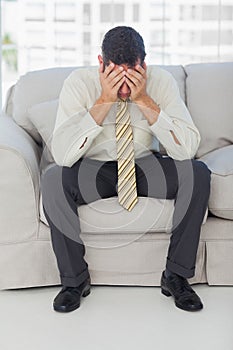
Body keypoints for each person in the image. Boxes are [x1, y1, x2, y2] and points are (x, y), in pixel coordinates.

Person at [41, 26, 211, 313]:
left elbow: (187, 149)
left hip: (145, 165)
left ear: (143, 65)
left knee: (198, 172)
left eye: (131, 75)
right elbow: (63, 155)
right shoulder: (79, 83)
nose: (124, 88)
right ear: (101, 63)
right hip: (93, 168)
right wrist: (104, 101)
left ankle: (176, 276)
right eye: (115, 76)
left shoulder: (160, 82)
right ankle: (74, 281)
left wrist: (144, 99)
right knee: (54, 179)